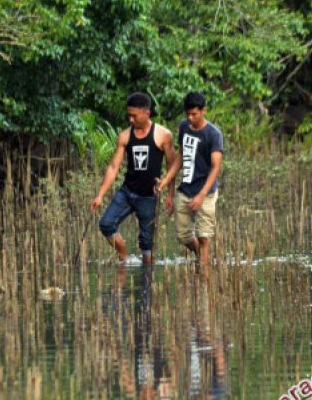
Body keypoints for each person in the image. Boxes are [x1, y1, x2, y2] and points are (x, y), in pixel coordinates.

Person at [90, 93, 176, 264]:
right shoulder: (125, 136)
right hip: (127, 192)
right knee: (106, 224)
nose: (130, 119)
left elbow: (172, 166)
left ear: (147, 113)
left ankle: (146, 280)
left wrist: (170, 194)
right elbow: (114, 167)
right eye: (128, 115)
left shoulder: (163, 135)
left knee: (147, 245)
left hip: (148, 196)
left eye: (134, 115)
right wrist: (100, 195)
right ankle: (124, 257)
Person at [156, 92, 223, 277]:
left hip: (206, 192)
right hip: (185, 189)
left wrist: (201, 195)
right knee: (183, 235)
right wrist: (166, 179)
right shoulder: (184, 127)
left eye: (194, 114)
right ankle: (202, 257)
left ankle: (204, 274)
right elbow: (181, 156)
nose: (190, 118)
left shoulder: (213, 134)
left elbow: (216, 167)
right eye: (188, 114)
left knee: (203, 236)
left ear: (204, 111)